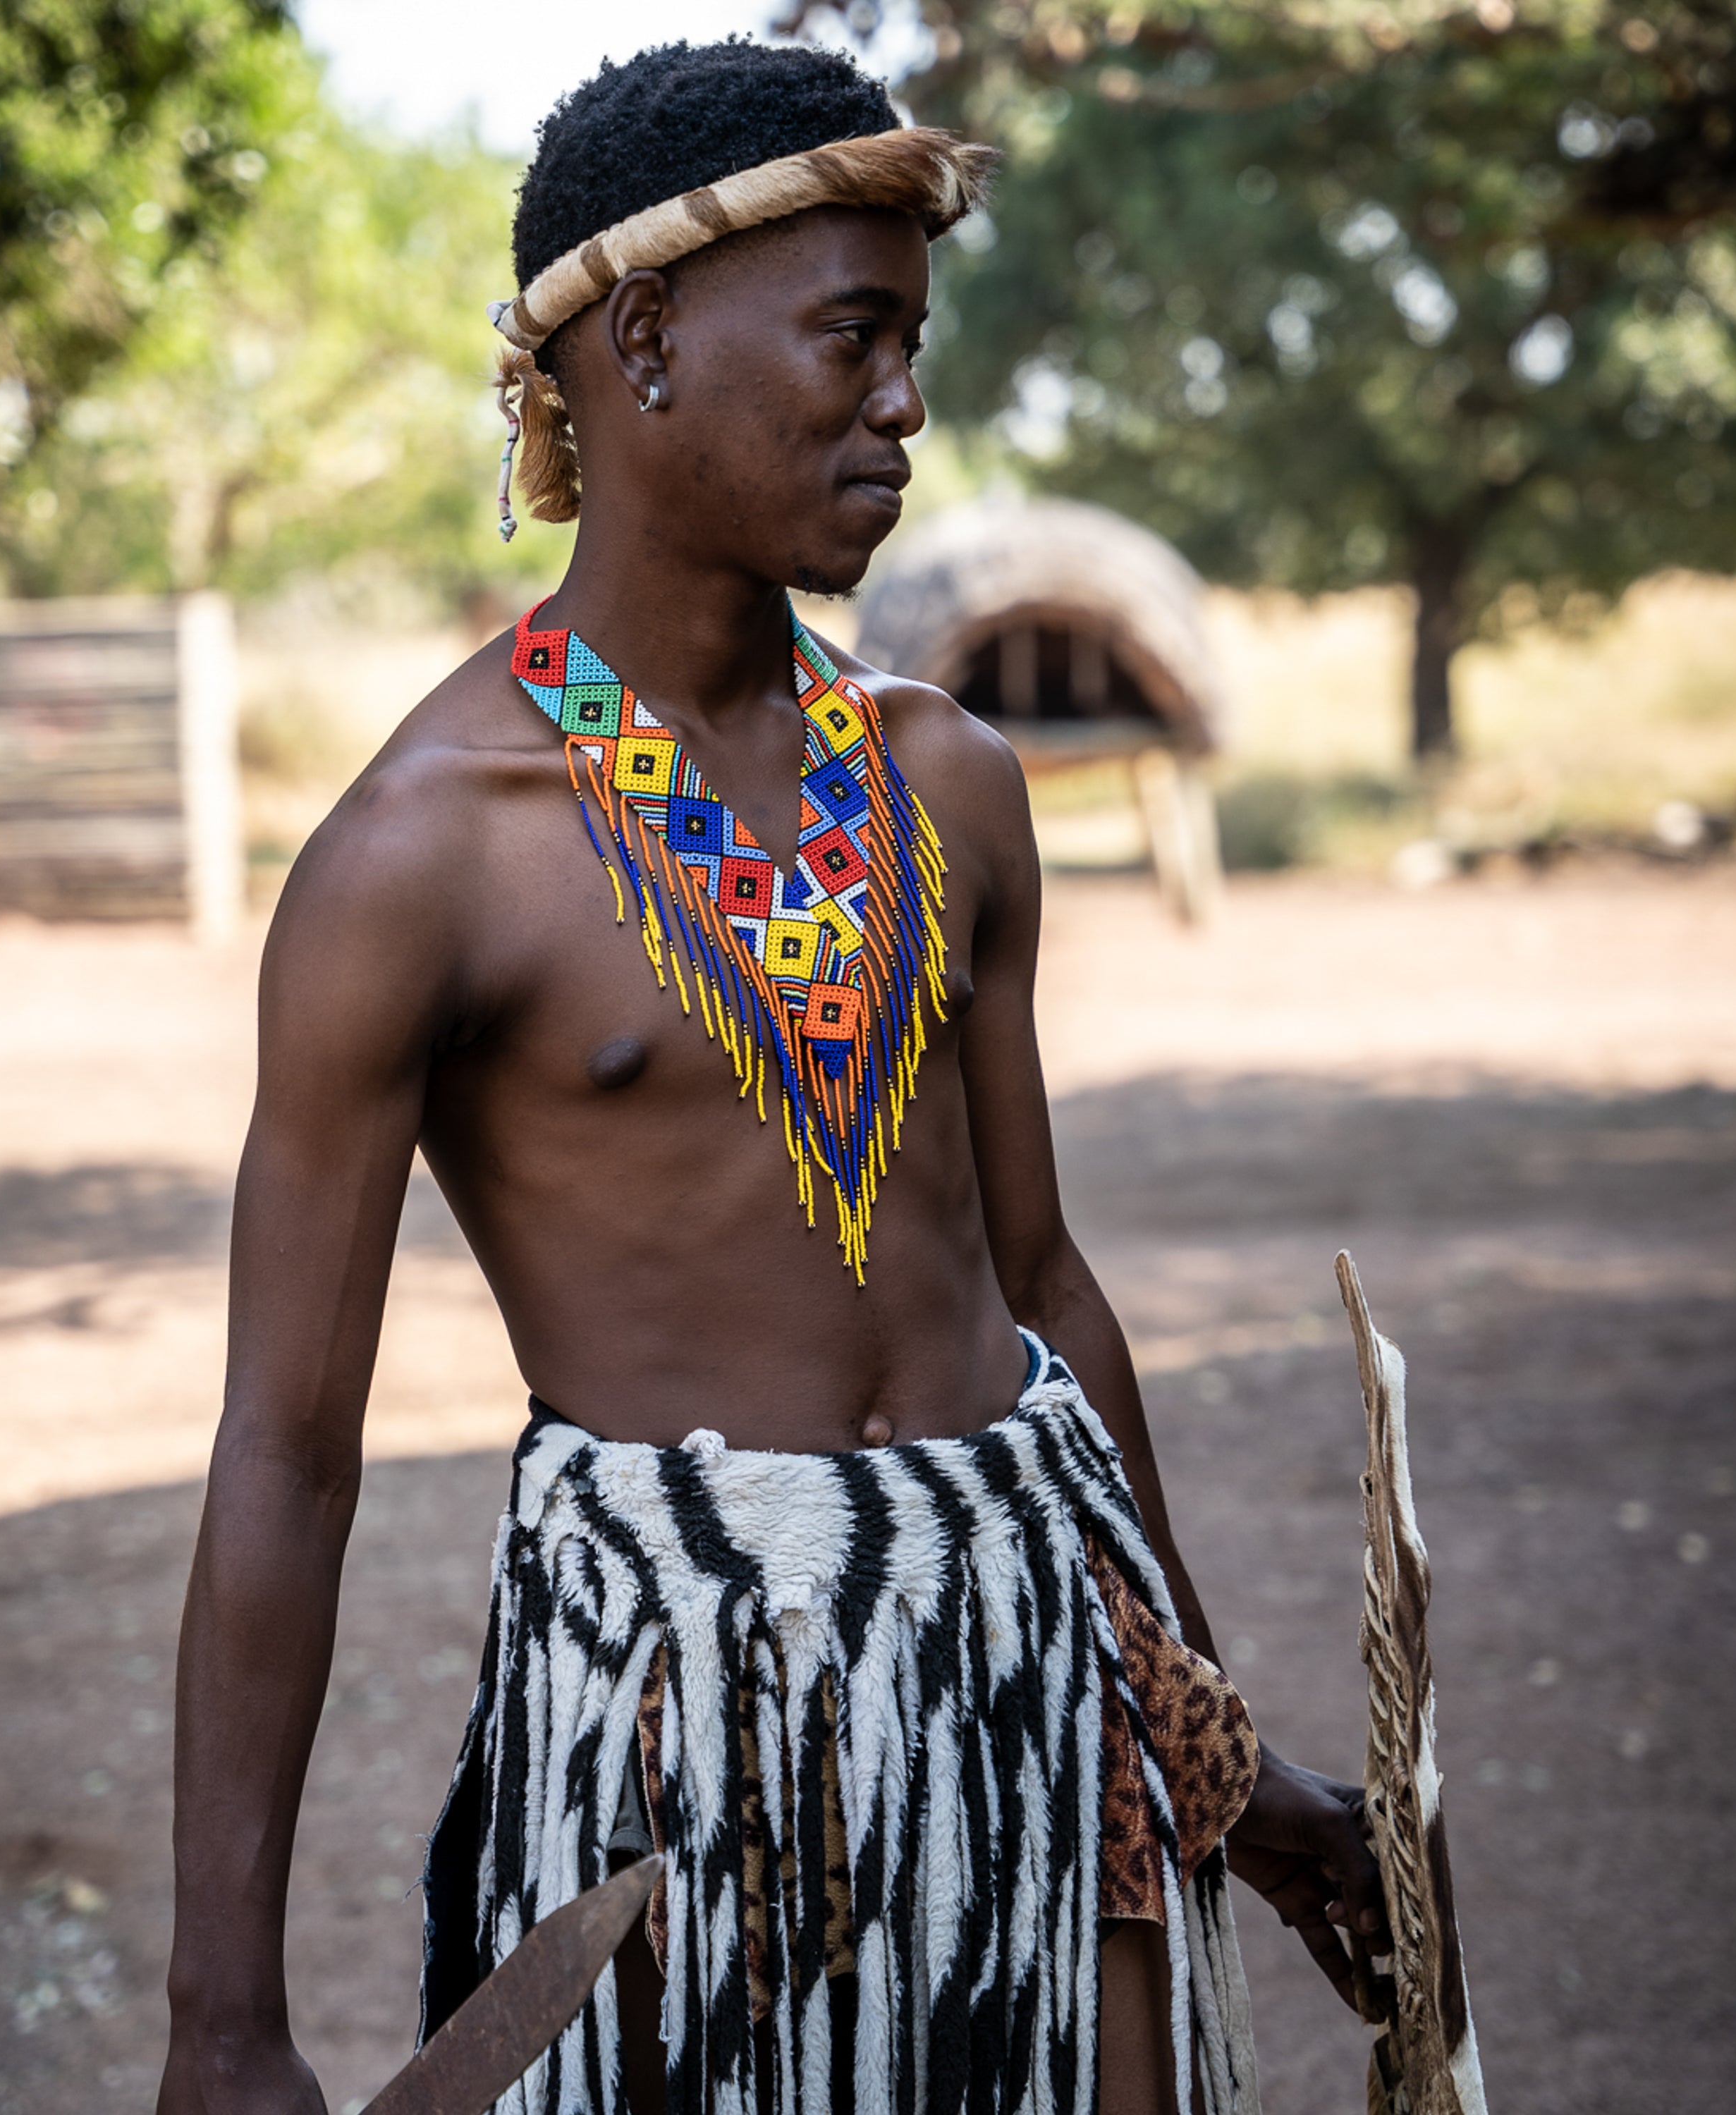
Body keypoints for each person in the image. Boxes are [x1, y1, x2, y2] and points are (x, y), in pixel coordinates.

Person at [159, 39, 1387, 2115]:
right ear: (641, 337)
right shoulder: (424, 856)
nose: (905, 400)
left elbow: (1045, 1293)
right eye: (855, 335)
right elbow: (286, 1454)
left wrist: (1213, 1744)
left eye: (915, 342)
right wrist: (223, 2028)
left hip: (1034, 1676)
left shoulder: (951, 782)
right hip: (687, 1737)